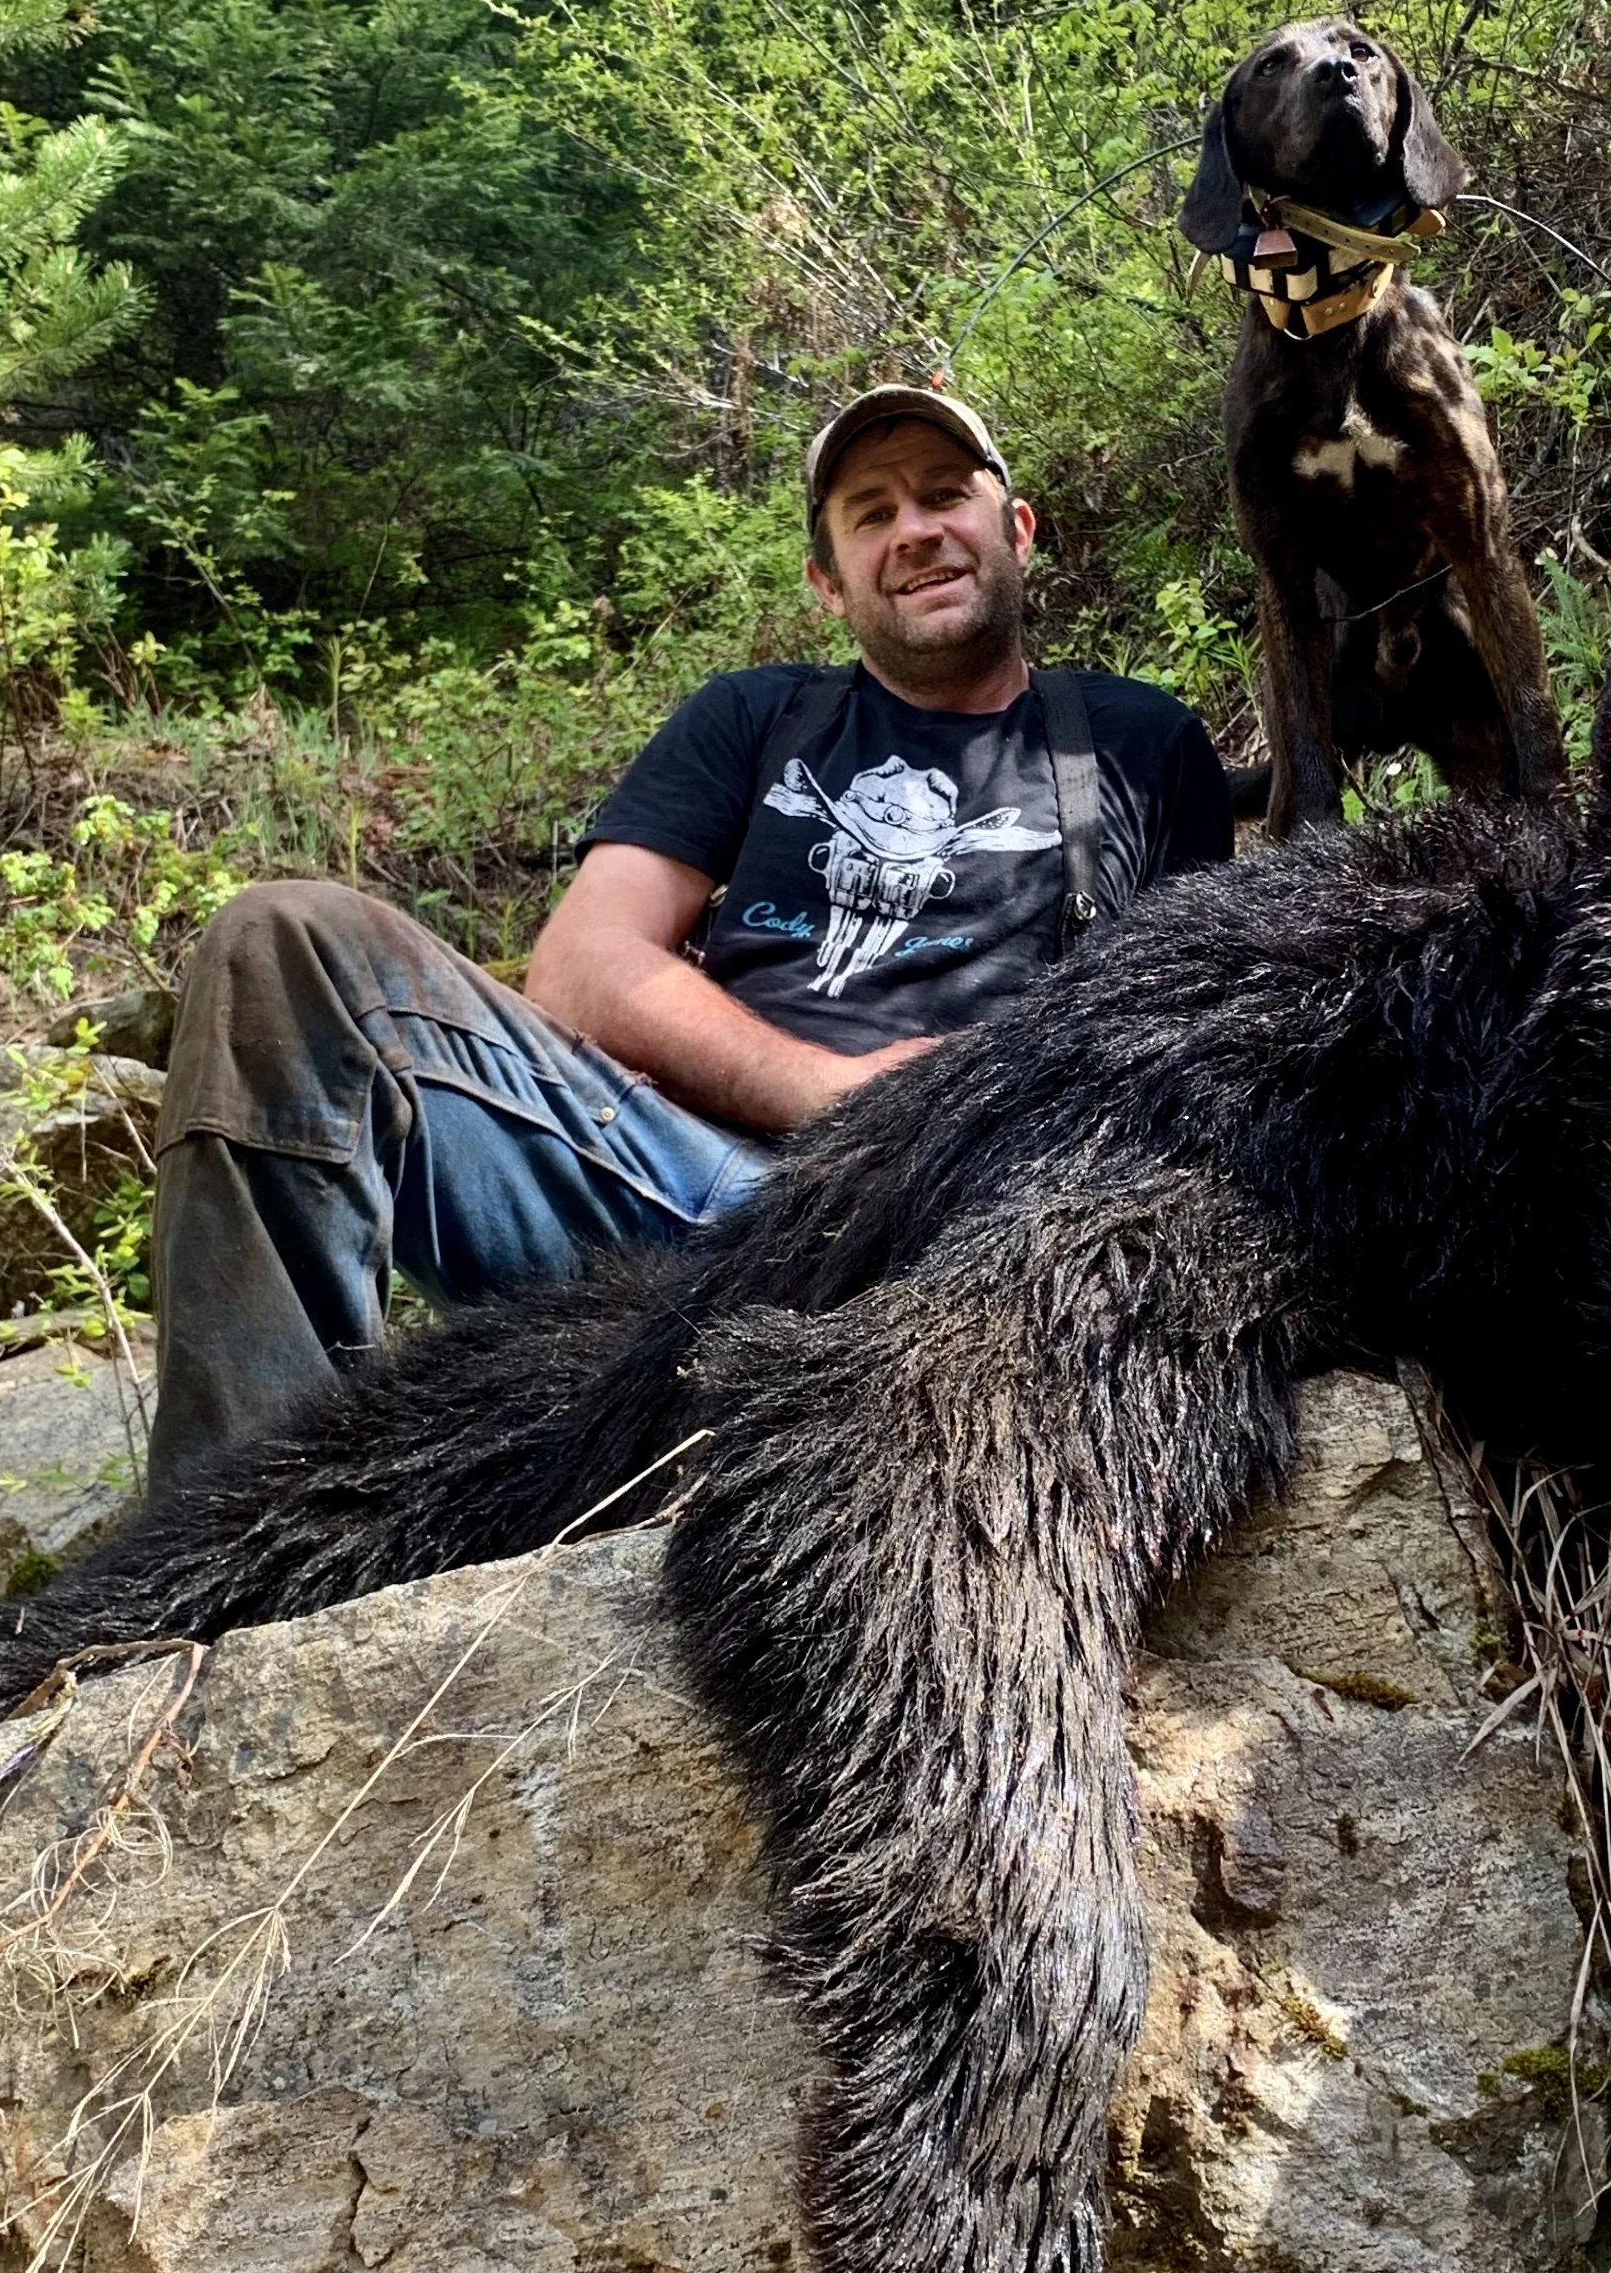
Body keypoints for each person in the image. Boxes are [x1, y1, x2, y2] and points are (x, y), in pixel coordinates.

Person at [141, 387, 1234, 1508]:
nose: (913, 529)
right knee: (280, 943)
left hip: (941, 1219)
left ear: (1017, 527)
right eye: (870, 513)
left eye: (945, 494)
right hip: (674, 1187)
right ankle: (209, 1542)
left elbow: (1184, 1041)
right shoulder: (752, 718)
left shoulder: (1139, 741)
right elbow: (582, 964)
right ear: (828, 581)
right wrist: (836, 1091)